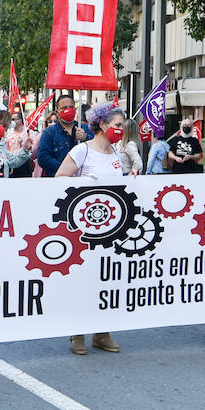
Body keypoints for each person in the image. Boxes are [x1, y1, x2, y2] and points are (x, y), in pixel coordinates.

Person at [56, 103, 128, 355]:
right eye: (118, 125)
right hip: (84, 229)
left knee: (107, 280)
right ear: (104, 125)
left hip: (112, 229)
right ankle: (77, 333)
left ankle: (102, 332)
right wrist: (86, 184)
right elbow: (60, 178)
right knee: (83, 281)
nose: (121, 130)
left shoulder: (116, 154)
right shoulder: (82, 151)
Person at [35, 93, 88, 177]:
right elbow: (42, 158)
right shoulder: (49, 132)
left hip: (81, 180)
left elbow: (97, 147)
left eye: (71, 107)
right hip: (57, 180)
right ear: (57, 112)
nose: (68, 110)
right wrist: (65, 168)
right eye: (64, 108)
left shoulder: (84, 128)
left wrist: (86, 137)